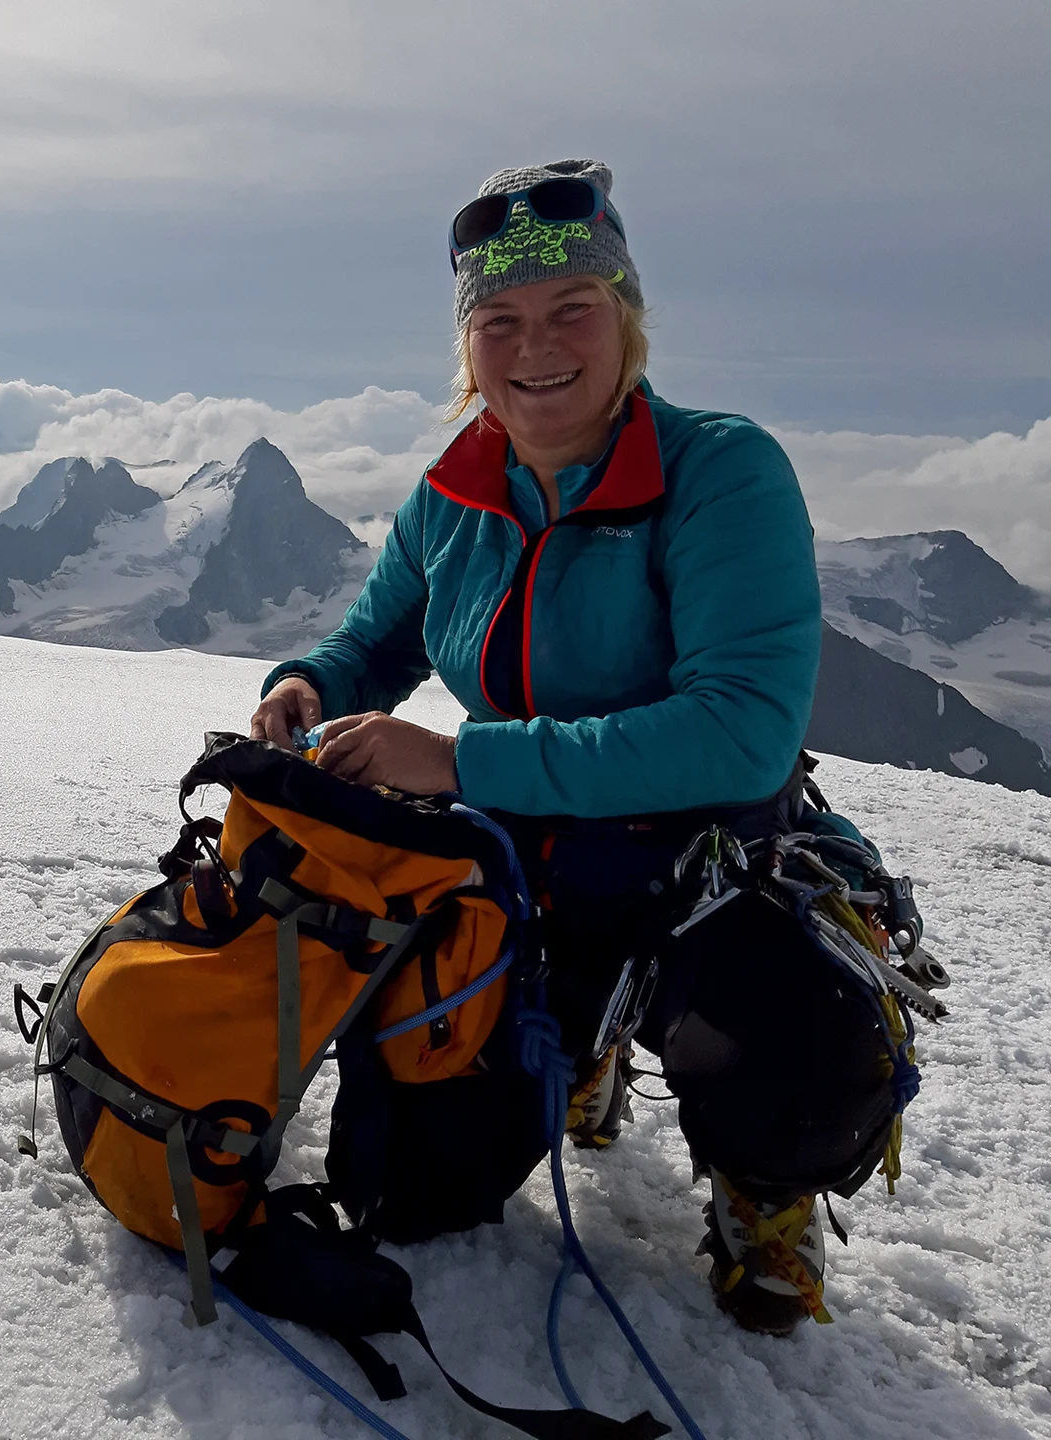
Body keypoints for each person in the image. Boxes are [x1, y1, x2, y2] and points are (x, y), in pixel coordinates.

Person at [250, 160, 894, 1337]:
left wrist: (457, 765)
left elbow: (743, 733)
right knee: (409, 1191)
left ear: (626, 322)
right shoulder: (455, 493)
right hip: (517, 869)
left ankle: (763, 1182)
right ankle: (575, 1049)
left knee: (800, 1045)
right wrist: (308, 684)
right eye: (499, 320)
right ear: (469, 347)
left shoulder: (719, 470)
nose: (535, 345)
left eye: (571, 311)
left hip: (701, 868)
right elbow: (375, 638)